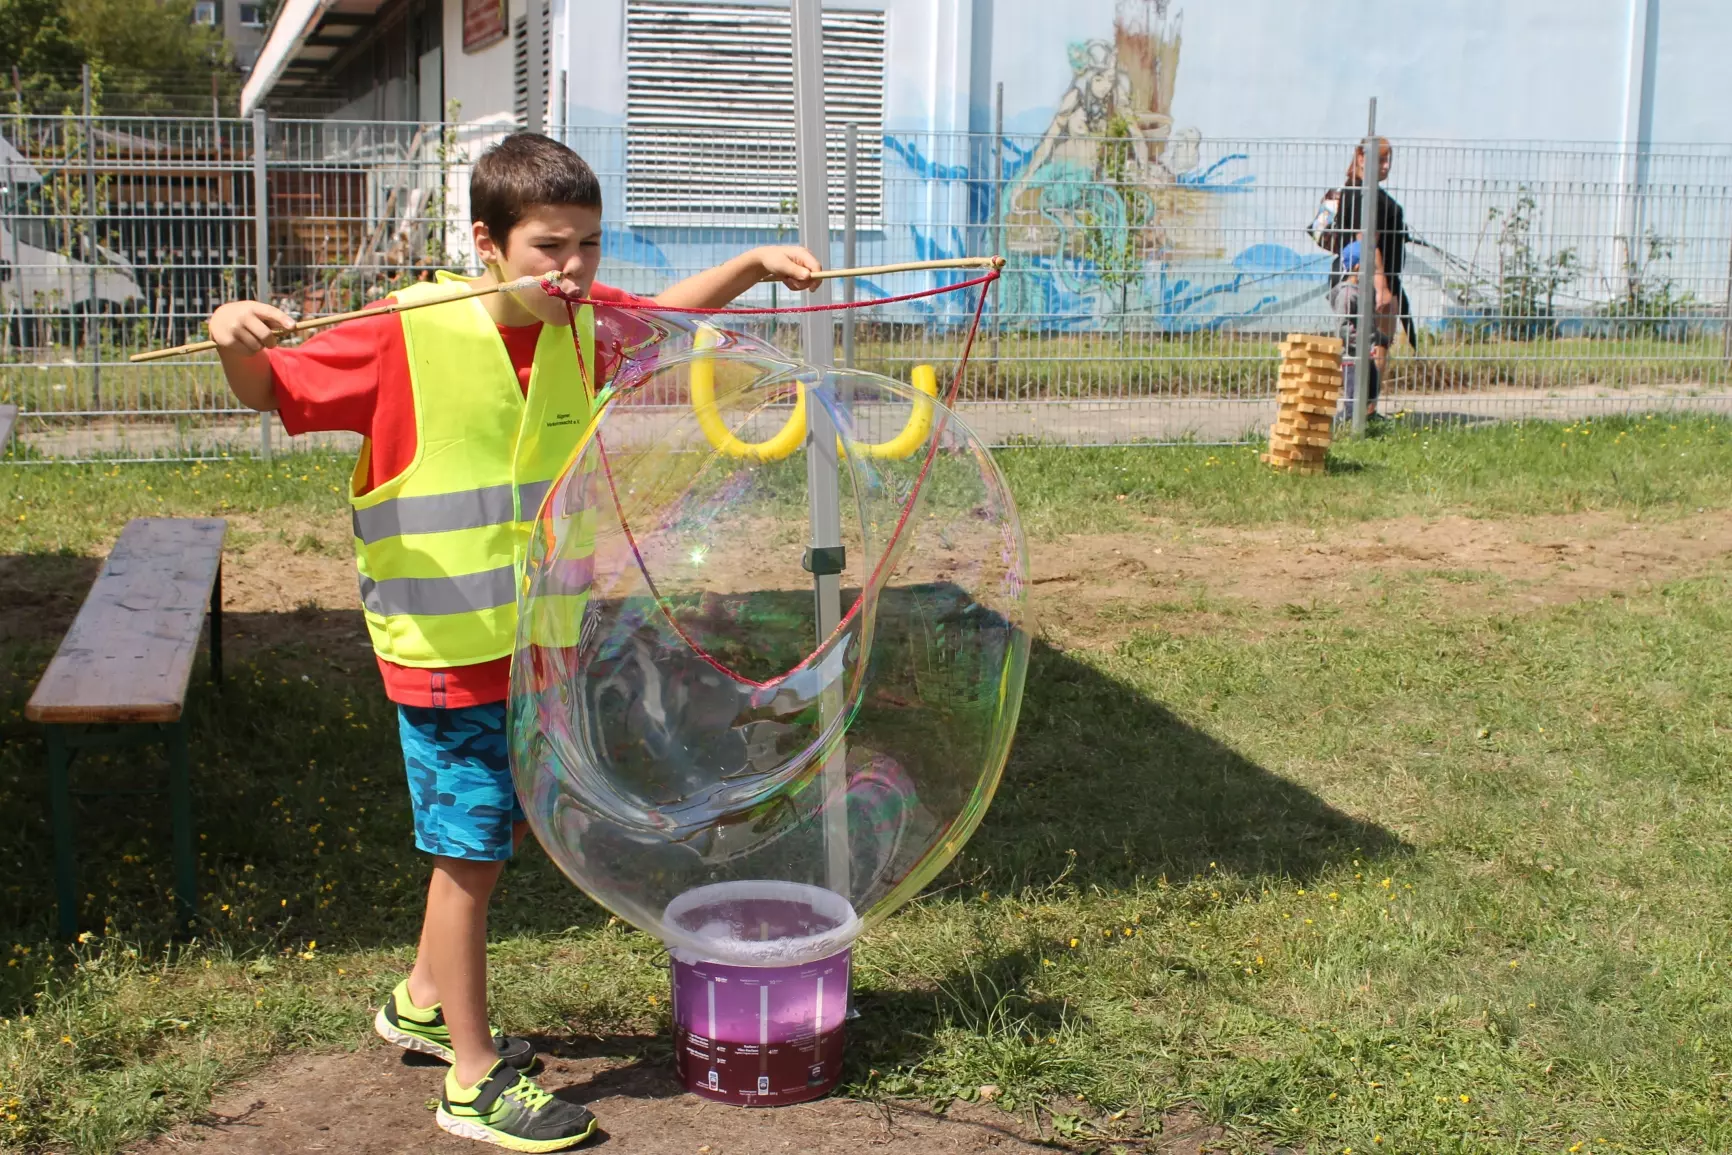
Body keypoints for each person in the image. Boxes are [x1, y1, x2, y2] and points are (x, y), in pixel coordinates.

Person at [206, 132, 821, 1152]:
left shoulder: (589, 326)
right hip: (445, 654)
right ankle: (473, 1079)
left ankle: (417, 1001)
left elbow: (673, 313)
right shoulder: (406, 334)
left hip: (535, 649)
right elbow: (269, 387)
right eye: (548, 247)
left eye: (585, 245)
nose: (571, 269)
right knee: (470, 857)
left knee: (491, 837)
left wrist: (755, 266)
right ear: (487, 243)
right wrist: (232, 332)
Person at [1313, 136, 1408, 420]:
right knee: (1359, 347)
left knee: (1379, 344)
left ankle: (1367, 412)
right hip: (1363, 284)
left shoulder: (1376, 199)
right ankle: (1356, 414)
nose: (1386, 166)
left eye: (1389, 159)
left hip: (1387, 282)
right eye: (1380, 159)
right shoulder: (1354, 195)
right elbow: (1366, 240)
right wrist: (1380, 285)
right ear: (1361, 157)